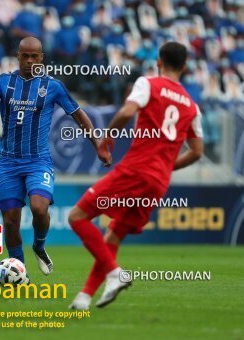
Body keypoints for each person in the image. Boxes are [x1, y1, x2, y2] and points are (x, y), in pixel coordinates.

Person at [68, 41, 204, 310]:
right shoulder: (192, 106)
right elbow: (197, 152)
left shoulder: (148, 84)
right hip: (158, 183)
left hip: (136, 170)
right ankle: (84, 298)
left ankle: (115, 273)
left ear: (159, 62)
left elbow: (127, 111)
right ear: (185, 67)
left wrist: (107, 139)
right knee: (113, 237)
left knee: (77, 216)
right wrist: (166, 168)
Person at [0, 37, 109, 277]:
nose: (30, 61)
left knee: (39, 208)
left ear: (42, 57)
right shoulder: (4, 82)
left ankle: (39, 246)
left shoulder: (53, 86)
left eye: (35, 56)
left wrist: (98, 143)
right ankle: (19, 271)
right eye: (25, 56)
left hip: (38, 161)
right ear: (18, 56)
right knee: (11, 219)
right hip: (8, 162)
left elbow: (78, 114)